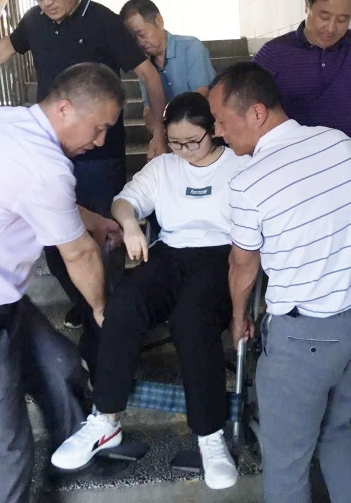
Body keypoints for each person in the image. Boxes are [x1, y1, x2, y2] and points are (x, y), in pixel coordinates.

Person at [0, 62, 125, 503]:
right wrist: (104, 311)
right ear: (65, 109)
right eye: (99, 128)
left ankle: (78, 450)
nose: (100, 141)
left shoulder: (6, 122)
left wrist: (94, 220)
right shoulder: (45, 164)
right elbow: (80, 254)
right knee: (5, 457)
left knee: (60, 366)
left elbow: (37, 195)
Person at [0, 0, 167, 332]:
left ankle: (111, 311)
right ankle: (87, 302)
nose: (46, 2)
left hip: (99, 155)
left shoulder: (103, 21)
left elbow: (148, 73)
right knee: (52, 237)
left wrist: (158, 132)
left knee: (103, 235)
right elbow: (7, 46)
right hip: (49, 153)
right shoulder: (35, 21)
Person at [51, 92, 248, 491]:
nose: (183, 151)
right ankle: (106, 421)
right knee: (122, 305)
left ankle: (209, 436)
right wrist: (130, 225)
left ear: (214, 131)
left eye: (192, 142)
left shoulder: (240, 166)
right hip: (170, 252)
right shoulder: (164, 167)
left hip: (221, 256)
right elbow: (124, 201)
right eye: (175, 142)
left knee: (192, 321)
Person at [208, 62, 351, 503]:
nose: (217, 133)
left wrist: (238, 319)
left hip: (306, 341)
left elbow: (243, 266)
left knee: (287, 466)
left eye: (222, 121)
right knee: (336, 430)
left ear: (257, 113)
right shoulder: (339, 143)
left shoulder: (248, 181)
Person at [253, 0, 351, 433]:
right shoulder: (274, 54)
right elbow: (250, 111)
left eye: (342, 19)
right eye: (323, 15)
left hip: (345, 186)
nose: (331, 27)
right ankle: (287, 374)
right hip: (290, 191)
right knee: (292, 281)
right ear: (307, 5)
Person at [120, 0, 216, 135]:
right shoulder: (145, 67)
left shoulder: (191, 47)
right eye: (134, 39)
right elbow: (148, 110)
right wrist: (159, 136)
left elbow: (201, 94)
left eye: (142, 34)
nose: (140, 43)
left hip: (202, 131)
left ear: (159, 21)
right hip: (171, 134)